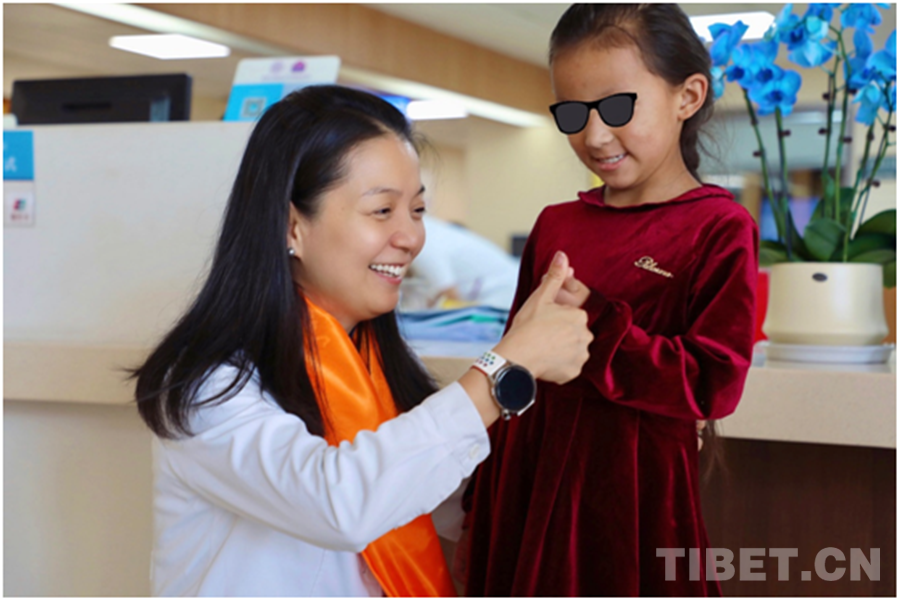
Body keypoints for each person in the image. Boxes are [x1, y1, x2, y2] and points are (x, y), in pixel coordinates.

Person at [131, 85, 593, 596]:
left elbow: (441, 499)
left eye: (417, 210)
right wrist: (502, 371)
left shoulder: (378, 372)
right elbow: (340, 504)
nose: (411, 237)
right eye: (382, 211)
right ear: (291, 226)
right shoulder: (208, 385)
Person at [463, 4, 758, 596]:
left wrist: (595, 325)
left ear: (688, 95)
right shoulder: (556, 224)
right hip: (525, 472)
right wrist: (481, 474)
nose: (594, 136)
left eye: (618, 108)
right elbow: (511, 360)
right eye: (573, 113)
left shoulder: (718, 228)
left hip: (630, 492)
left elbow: (713, 383)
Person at [406, 215, 520, 309]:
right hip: (498, 286)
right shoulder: (426, 230)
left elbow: (451, 296)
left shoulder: (424, 245)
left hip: (503, 292)